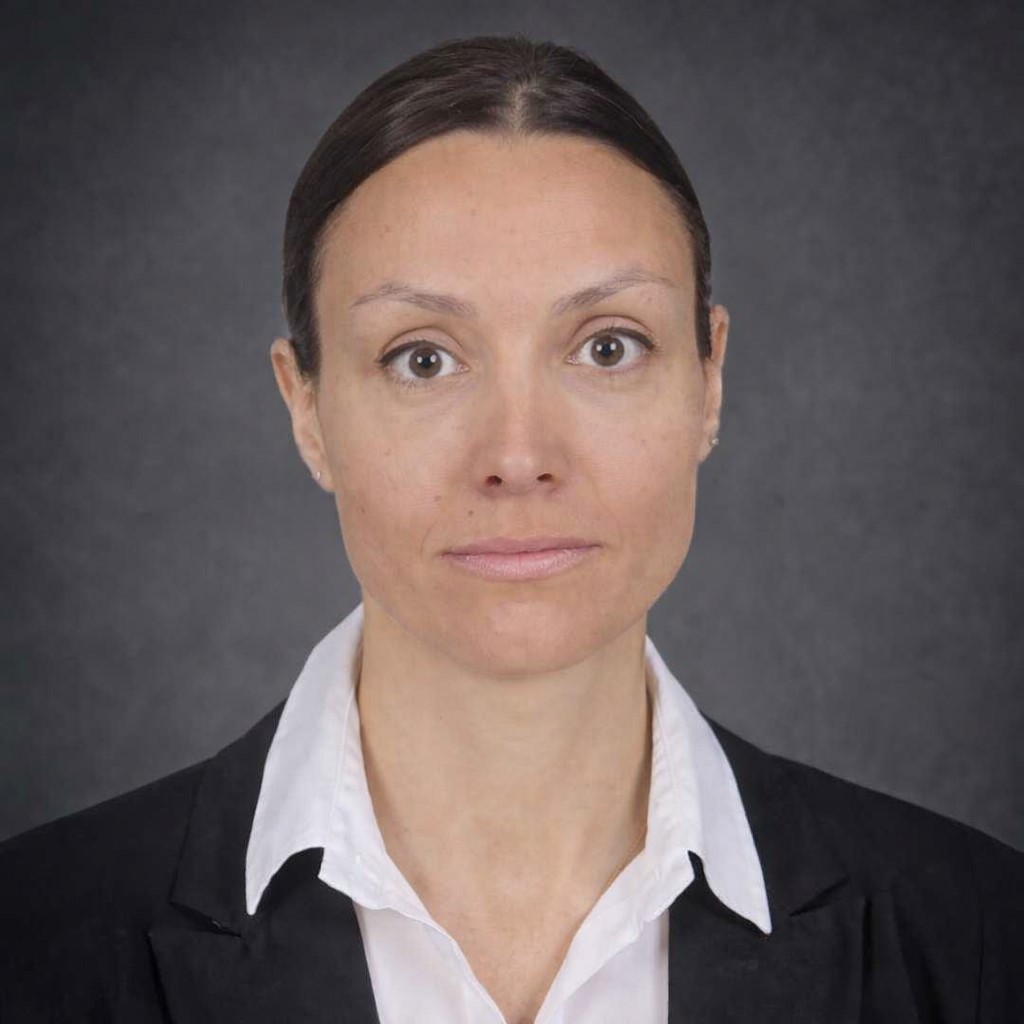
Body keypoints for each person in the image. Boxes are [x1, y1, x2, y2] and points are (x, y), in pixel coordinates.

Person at [1, 33, 1021, 1024]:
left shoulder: (980, 942)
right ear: (305, 407)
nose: (519, 454)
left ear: (708, 381)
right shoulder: (31, 942)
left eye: (608, 346)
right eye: (423, 359)